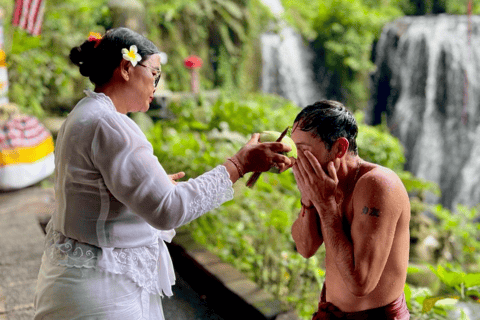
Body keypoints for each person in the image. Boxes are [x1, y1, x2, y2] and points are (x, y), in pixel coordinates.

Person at [33, 27, 294, 320]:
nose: (156, 84)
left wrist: (153, 186)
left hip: (80, 281)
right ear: (126, 68)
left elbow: (94, 192)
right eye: (155, 73)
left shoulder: (84, 113)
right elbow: (168, 210)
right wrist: (239, 165)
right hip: (105, 291)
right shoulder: (111, 126)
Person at [290, 100, 410, 319]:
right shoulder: (325, 184)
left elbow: (360, 282)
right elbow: (305, 248)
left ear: (339, 148)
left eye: (303, 151)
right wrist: (308, 199)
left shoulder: (378, 185)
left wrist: (326, 206)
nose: (295, 160)